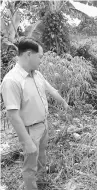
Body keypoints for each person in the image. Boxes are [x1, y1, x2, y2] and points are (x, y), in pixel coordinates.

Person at [1, 38, 69, 190]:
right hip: (30, 130)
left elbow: (51, 90)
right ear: (29, 55)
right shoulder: (12, 80)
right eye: (40, 57)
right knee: (30, 165)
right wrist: (26, 142)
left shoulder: (36, 74)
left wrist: (64, 103)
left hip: (43, 124)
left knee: (42, 156)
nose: (41, 61)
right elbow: (13, 115)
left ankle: (42, 182)